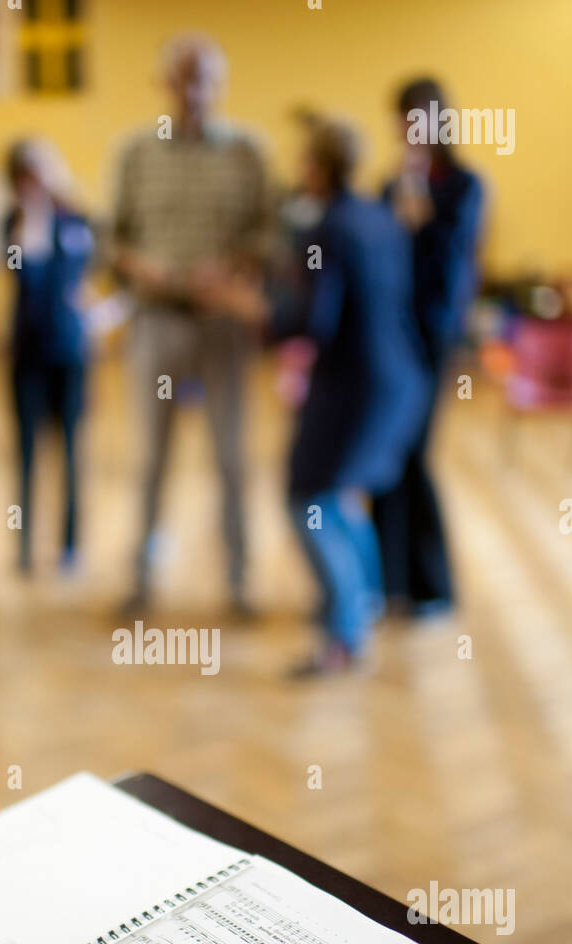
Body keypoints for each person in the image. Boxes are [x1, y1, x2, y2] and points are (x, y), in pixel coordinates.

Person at [219, 118, 429, 674]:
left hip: (354, 384)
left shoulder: (328, 229)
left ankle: (344, 636)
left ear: (318, 166)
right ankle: (363, 604)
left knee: (307, 500)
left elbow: (313, 319)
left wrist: (248, 306)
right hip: (399, 377)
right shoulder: (381, 218)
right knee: (340, 497)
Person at [109, 33, 270, 615]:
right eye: (183, 77)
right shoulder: (134, 152)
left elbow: (268, 234)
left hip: (223, 326)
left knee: (231, 458)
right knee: (151, 458)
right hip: (157, 325)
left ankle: (239, 582)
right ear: (166, 82)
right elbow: (113, 238)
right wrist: (139, 265)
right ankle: (142, 580)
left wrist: (229, 268)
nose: (194, 90)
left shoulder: (248, 151)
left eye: (204, 78)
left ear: (219, 85)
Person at [373, 77, 484, 615]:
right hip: (388, 339)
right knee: (383, 456)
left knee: (415, 455)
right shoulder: (390, 184)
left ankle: (433, 586)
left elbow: (449, 256)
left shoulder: (465, 185)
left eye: (418, 116)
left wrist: (417, 210)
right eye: (403, 119)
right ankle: (386, 581)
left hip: (432, 337)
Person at [4, 138, 93, 573]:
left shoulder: (77, 220)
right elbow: (23, 273)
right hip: (27, 355)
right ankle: (23, 548)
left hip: (71, 353)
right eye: (27, 175)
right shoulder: (12, 224)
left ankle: (70, 547)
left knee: (72, 453)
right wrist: (31, 221)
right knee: (25, 454)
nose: (37, 182)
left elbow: (76, 277)